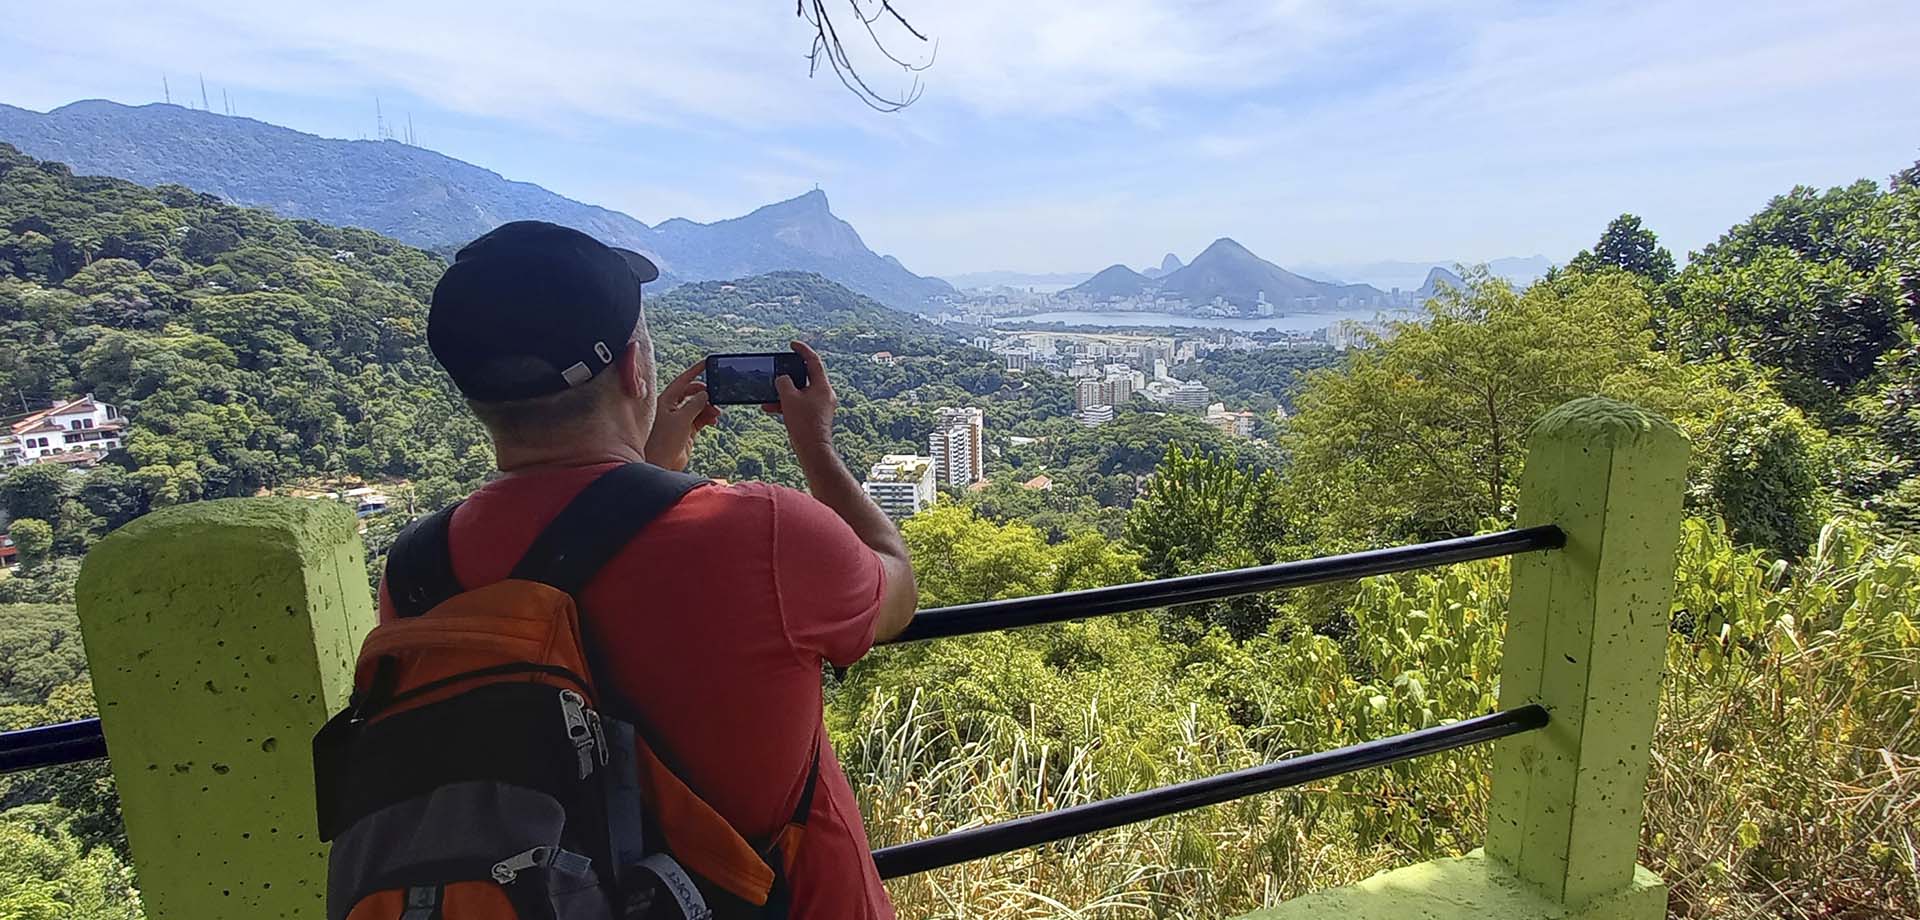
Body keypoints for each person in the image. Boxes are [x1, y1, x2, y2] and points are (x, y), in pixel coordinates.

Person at [380, 220, 917, 919]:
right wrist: (816, 448)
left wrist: (647, 474)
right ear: (637, 370)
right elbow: (897, 590)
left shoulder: (418, 572)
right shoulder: (762, 533)